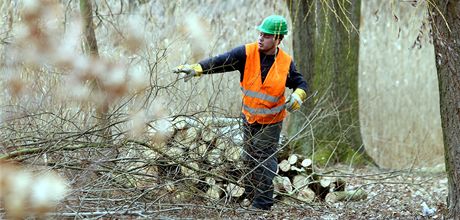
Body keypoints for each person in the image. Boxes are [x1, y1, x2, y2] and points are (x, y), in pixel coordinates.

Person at [174, 15, 308, 211]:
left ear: (278, 39)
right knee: (249, 157)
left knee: (263, 158)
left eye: (267, 35)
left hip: (271, 121)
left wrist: (297, 96)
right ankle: (252, 196)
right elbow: (220, 61)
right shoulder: (246, 53)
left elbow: (300, 83)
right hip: (248, 118)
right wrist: (197, 69)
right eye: (260, 33)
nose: (261, 38)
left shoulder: (285, 62)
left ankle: (262, 205)